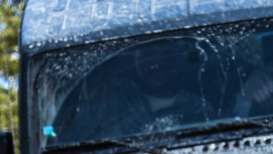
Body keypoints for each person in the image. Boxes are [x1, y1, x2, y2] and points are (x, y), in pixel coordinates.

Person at [65, 39, 208, 141]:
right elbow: (74, 136)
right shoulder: (109, 97)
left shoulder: (199, 109)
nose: (157, 64)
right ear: (136, 60)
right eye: (149, 55)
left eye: (166, 56)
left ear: (178, 61)